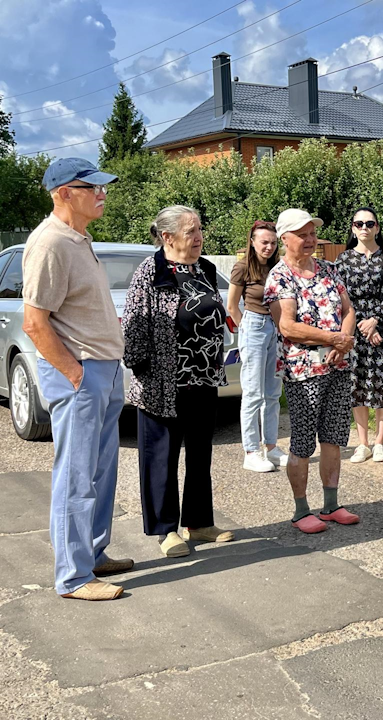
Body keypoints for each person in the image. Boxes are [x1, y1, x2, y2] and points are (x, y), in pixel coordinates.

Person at [22, 158, 131, 601]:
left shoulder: (78, 238)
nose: (103, 194)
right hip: (81, 373)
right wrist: (74, 373)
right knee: (76, 474)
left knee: (101, 473)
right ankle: (73, 577)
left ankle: (91, 555)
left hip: (103, 369)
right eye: (94, 188)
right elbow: (34, 322)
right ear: (65, 192)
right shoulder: (50, 243)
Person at [123, 205, 236, 558]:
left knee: (200, 455)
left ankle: (199, 523)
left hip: (203, 378)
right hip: (162, 384)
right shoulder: (150, 272)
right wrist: (146, 371)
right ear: (168, 237)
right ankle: (166, 530)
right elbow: (134, 325)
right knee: (161, 457)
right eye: (191, 231)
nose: (199, 236)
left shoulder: (204, 268)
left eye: (200, 228)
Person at [263, 209, 359, 533]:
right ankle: (301, 509)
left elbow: (349, 310)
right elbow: (288, 326)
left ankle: (331, 504)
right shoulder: (279, 277)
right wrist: (332, 338)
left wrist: (341, 342)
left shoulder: (329, 269)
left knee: (333, 437)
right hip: (303, 369)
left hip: (338, 362)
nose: (309, 240)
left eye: (312, 233)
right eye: (301, 234)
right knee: (303, 441)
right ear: (284, 239)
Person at [334, 207, 383, 464]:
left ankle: (379, 443)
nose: (364, 227)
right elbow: (342, 298)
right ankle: (362, 443)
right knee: (357, 384)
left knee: (382, 384)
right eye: (359, 223)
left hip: (382, 328)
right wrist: (358, 326)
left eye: (369, 223)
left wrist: (374, 321)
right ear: (353, 228)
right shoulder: (343, 261)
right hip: (353, 327)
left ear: (377, 227)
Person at [227, 220, 288, 473]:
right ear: (252, 242)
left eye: (273, 243)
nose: (269, 247)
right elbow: (231, 306)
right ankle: (251, 451)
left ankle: (271, 447)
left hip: (276, 327)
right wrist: (246, 330)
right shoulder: (242, 268)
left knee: (273, 392)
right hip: (253, 325)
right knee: (253, 393)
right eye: (264, 242)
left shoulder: (277, 267)